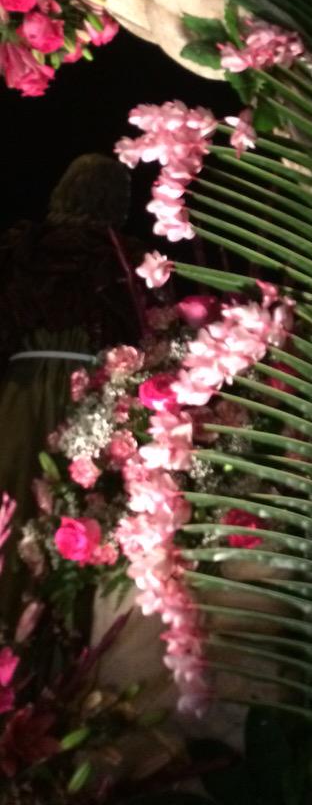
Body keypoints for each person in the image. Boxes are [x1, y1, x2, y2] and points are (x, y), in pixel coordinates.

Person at [0, 153, 144, 617]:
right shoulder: (122, 258)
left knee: (14, 493)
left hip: (20, 392)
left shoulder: (23, 249)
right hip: (91, 394)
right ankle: (60, 628)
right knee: (78, 509)